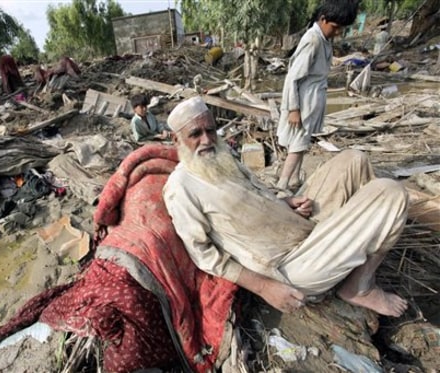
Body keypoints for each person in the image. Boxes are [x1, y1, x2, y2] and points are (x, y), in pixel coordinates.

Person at [163, 96, 409, 317]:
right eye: (195, 134)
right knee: (392, 192)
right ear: (177, 139)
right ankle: (359, 286)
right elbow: (204, 256)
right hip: (293, 265)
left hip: (302, 227)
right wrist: (265, 287)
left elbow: (254, 195)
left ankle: (361, 243)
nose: (206, 140)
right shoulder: (181, 187)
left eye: (210, 130)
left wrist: (286, 203)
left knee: (355, 160)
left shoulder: (221, 157)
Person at [276, 0, 359, 191]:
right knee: (298, 143)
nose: (337, 32)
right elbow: (292, 78)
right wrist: (294, 109)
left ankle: (295, 178)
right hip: (304, 98)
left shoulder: (324, 39)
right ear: (323, 19)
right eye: (336, 27)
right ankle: (283, 183)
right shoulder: (313, 40)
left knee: (303, 140)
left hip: (312, 96)